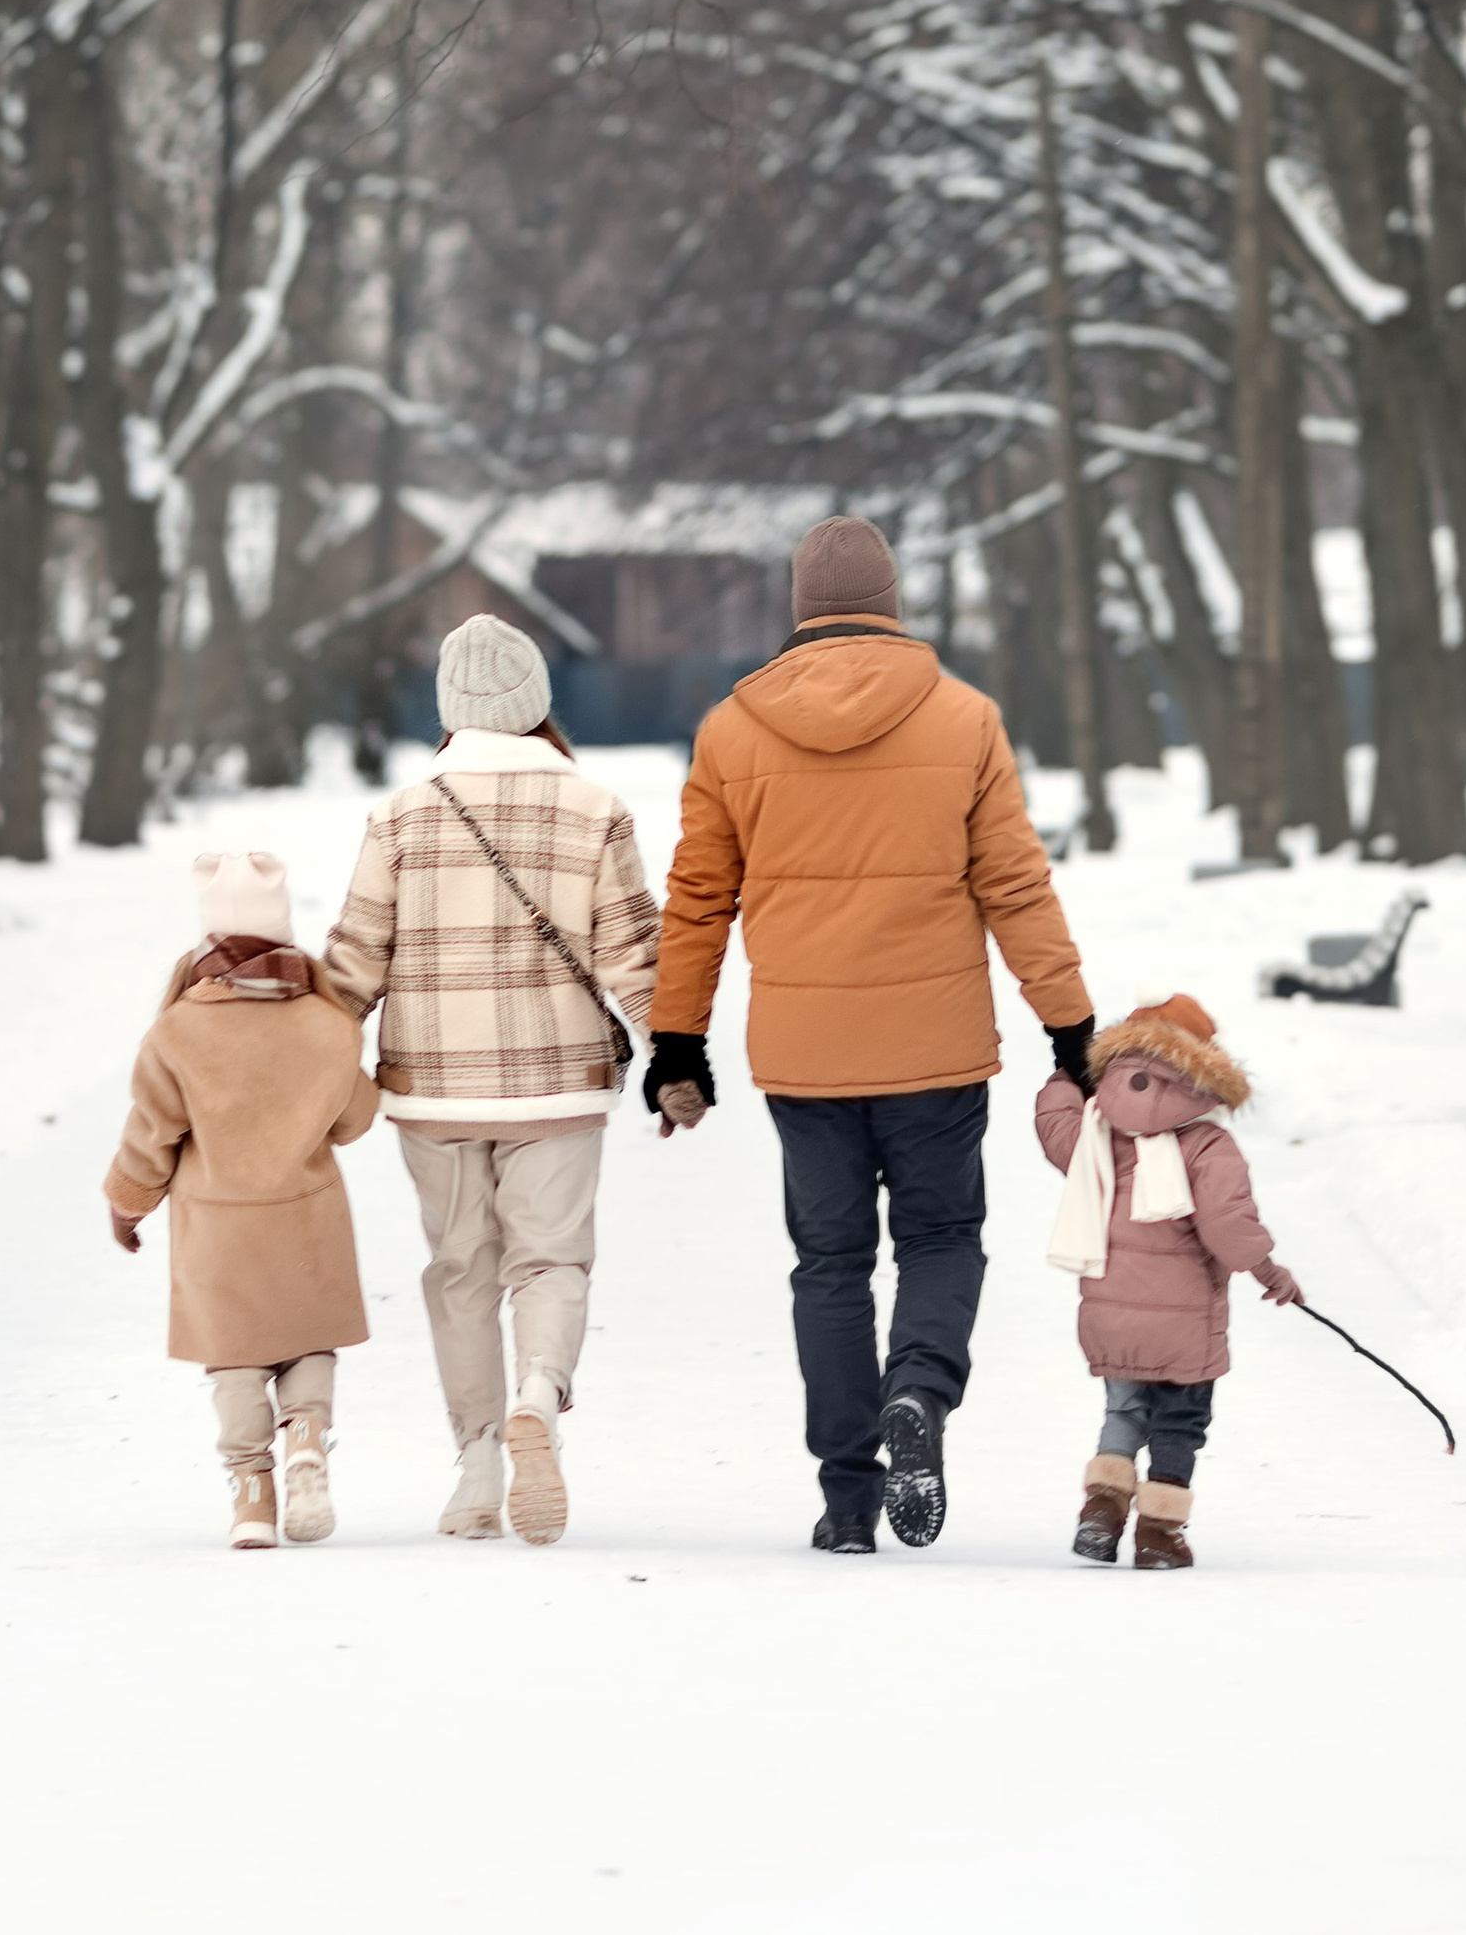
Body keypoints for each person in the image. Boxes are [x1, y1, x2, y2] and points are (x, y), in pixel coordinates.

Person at [643, 512, 1095, 1555]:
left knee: (830, 1264)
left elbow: (698, 900)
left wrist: (678, 1041)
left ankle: (849, 1497)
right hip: (935, 1048)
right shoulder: (964, 718)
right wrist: (1070, 1025)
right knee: (939, 1238)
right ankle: (919, 1392)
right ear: (891, 600)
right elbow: (1015, 885)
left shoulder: (731, 730)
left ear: (800, 607)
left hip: (804, 1054)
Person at [320, 614, 664, 1546]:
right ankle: (538, 1400)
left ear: (450, 709)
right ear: (538, 702)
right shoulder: (595, 808)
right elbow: (637, 956)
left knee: (459, 1270)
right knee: (549, 1259)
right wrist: (676, 1056)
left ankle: (477, 1465)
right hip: (558, 1084)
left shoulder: (401, 814)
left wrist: (311, 1067)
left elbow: (353, 960)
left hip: (431, 1087)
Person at [103, 847, 379, 1551]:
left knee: (234, 1356)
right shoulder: (327, 1022)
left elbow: (151, 1133)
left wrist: (128, 1203)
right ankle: (307, 1434)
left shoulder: (178, 1029)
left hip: (216, 1224)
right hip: (308, 1211)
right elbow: (353, 1119)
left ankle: (253, 1497)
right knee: (308, 1337)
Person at [1035, 992, 1302, 1569]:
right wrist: (1269, 1271)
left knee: (1124, 1411)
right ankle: (1159, 1531)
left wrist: (1067, 1074)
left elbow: (1052, 1122)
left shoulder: (1094, 1134)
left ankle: (1102, 1509)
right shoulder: (1208, 1144)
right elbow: (1227, 1226)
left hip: (1110, 1314)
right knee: (1180, 1420)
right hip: (1185, 1325)